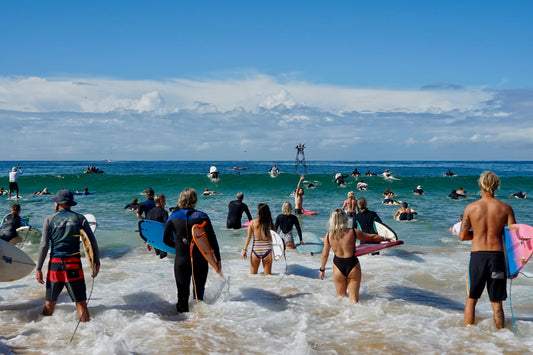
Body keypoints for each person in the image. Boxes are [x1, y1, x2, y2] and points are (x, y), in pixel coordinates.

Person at [459, 171, 516, 329]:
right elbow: (513, 239)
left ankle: (467, 337)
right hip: (497, 259)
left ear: (479, 185)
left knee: (471, 299)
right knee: (496, 302)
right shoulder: (506, 208)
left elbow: (462, 236)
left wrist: (477, 233)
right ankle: (503, 339)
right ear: (497, 186)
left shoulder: (471, 208)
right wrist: (514, 266)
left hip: (478, 258)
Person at [35, 189, 100, 322]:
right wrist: (96, 262)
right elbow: (91, 242)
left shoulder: (49, 219)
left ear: (58, 203)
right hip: (73, 265)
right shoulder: (80, 218)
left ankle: (42, 332)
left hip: (55, 266)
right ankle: (88, 334)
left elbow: (43, 245)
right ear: (70, 203)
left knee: (49, 303)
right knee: (81, 303)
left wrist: (38, 268)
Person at [163, 188, 221, 313]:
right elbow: (212, 241)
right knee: (199, 296)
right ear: (195, 200)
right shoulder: (202, 217)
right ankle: (198, 327)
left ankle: (181, 326)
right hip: (200, 261)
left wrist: (179, 246)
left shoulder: (172, 217)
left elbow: (165, 240)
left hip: (181, 261)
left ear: (180, 199)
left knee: (182, 297)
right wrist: (218, 260)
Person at [318, 209, 392, 303]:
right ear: (345, 219)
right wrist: (387, 239)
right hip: (352, 265)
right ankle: (356, 317)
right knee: (354, 301)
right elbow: (372, 237)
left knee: (340, 299)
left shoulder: (328, 236)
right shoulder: (353, 232)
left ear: (331, 220)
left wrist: (322, 269)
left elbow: (325, 254)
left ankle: (341, 317)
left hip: (338, 266)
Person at [242, 203, 275, 275]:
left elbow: (248, 237)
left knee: (253, 277)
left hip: (255, 251)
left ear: (258, 211)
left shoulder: (252, 223)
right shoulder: (270, 224)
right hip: (267, 251)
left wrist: (244, 249)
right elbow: (275, 239)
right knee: (268, 278)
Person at [146, 194, 168, 259]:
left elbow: (148, 227)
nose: (165, 203)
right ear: (161, 201)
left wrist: (148, 241)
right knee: (163, 256)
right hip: (162, 238)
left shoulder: (149, 212)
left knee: (158, 255)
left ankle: (157, 267)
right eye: (164, 201)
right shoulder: (164, 212)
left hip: (153, 238)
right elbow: (166, 226)